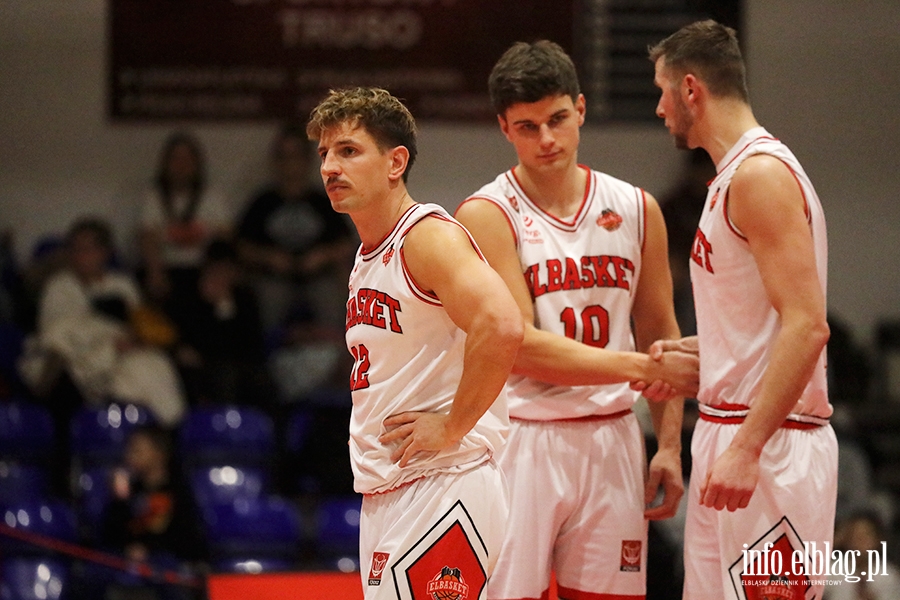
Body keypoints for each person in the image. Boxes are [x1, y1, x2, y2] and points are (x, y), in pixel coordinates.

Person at [454, 40, 699, 600]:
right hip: (522, 439)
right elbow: (520, 345)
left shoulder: (638, 208)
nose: (546, 139)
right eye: (527, 126)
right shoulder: (486, 213)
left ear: (581, 109)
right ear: (504, 129)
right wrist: (635, 365)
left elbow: (660, 333)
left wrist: (666, 445)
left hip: (613, 435)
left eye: (558, 120)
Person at [306, 87, 524, 598]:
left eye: (349, 151)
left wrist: (452, 426)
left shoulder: (426, 237)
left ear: (395, 162)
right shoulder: (366, 256)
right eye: (324, 154)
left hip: (445, 481)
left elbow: (503, 325)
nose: (329, 168)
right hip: (390, 489)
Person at [648, 20, 836, 600]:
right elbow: (769, 327)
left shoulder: (759, 175)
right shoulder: (730, 177)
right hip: (729, 430)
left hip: (770, 442)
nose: (658, 109)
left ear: (690, 89)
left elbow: (808, 327)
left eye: (661, 91)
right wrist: (707, 352)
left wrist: (749, 446)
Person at [20, 217, 186, 427]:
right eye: (76, 249)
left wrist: (133, 340)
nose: (81, 256)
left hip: (124, 355)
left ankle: (170, 433)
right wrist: (109, 343)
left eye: (88, 249)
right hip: (78, 363)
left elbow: (141, 325)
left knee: (155, 367)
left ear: (105, 252)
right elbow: (58, 335)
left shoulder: (122, 284)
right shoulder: (59, 286)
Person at [235, 122, 356, 334]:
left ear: (307, 160)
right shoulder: (263, 202)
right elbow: (241, 246)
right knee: (267, 298)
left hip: (319, 277)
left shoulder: (323, 201)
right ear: (275, 161)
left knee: (331, 296)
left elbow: (347, 243)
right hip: (273, 278)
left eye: (295, 156)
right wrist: (267, 257)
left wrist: (323, 255)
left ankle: (336, 358)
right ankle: (266, 361)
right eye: (283, 157)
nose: (290, 164)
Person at [101, 424, 207, 599]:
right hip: (129, 559)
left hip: (166, 560)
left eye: (137, 451)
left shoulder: (178, 491)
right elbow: (110, 536)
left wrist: (148, 549)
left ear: (159, 455)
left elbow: (188, 539)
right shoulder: (129, 492)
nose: (129, 456)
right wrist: (119, 500)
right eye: (129, 450)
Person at [138, 131, 232, 304]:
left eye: (188, 159)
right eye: (176, 159)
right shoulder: (154, 197)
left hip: (203, 269)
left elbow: (224, 239)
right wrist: (156, 273)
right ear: (165, 163)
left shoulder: (213, 196)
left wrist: (215, 275)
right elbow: (147, 238)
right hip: (168, 268)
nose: (182, 165)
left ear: (197, 163)